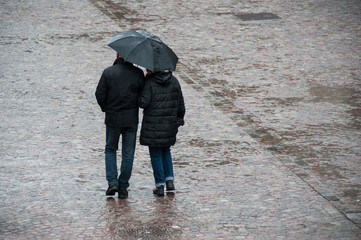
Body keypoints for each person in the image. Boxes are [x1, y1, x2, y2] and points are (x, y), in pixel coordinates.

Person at [95, 53, 145, 199]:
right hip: (130, 120)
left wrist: (106, 108)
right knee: (128, 154)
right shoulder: (138, 73)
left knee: (110, 149)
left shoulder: (108, 72)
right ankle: (123, 186)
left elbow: (99, 94)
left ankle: (112, 182)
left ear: (118, 54)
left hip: (113, 119)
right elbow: (142, 98)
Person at [138, 69, 185, 196]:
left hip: (153, 126)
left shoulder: (150, 82)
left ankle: (160, 185)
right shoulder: (174, 81)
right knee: (166, 150)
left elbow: (143, 102)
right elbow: (181, 104)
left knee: (156, 154)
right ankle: (170, 181)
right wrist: (179, 118)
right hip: (169, 125)